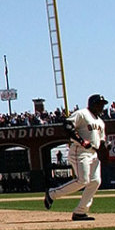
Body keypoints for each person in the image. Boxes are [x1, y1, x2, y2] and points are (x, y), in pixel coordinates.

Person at [45, 93, 109, 221]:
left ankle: (80, 212)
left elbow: (101, 141)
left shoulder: (101, 122)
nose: (102, 107)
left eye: (102, 105)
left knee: (95, 182)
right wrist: (80, 140)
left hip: (93, 154)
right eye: (99, 104)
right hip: (80, 151)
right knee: (83, 180)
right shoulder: (82, 113)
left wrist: (106, 147)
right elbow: (67, 125)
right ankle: (52, 193)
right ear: (92, 104)